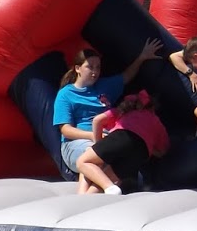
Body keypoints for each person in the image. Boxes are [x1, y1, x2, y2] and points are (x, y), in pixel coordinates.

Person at [53, 40, 161, 179]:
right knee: (95, 156)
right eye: (90, 67)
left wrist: (142, 57)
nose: (95, 72)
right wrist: (92, 135)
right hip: (77, 142)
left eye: (98, 67)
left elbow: (127, 76)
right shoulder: (66, 94)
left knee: (127, 160)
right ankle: (101, 187)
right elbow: (66, 129)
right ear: (78, 68)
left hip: (107, 139)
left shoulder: (104, 86)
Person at [77, 90, 170, 195]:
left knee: (83, 161)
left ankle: (109, 187)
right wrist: (149, 145)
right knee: (103, 179)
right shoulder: (156, 121)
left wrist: (98, 145)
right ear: (152, 107)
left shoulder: (125, 111)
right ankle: (88, 196)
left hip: (122, 136)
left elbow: (97, 120)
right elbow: (162, 151)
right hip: (141, 153)